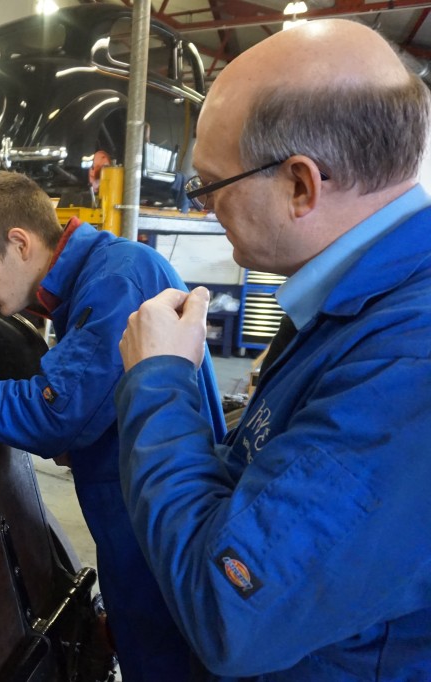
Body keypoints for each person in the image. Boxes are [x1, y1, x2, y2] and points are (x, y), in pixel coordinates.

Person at [116, 19, 431, 680]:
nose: (207, 209)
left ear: (301, 186)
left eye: (210, 185)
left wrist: (159, 382)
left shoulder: (409, 364)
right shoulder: (356, 303)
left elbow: (229, 611)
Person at [0, 170, 226, 681]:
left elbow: (53, 414)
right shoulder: (96, 280)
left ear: (20, 243)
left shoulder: (118, 280)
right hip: (135, 541)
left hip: (158, 551)